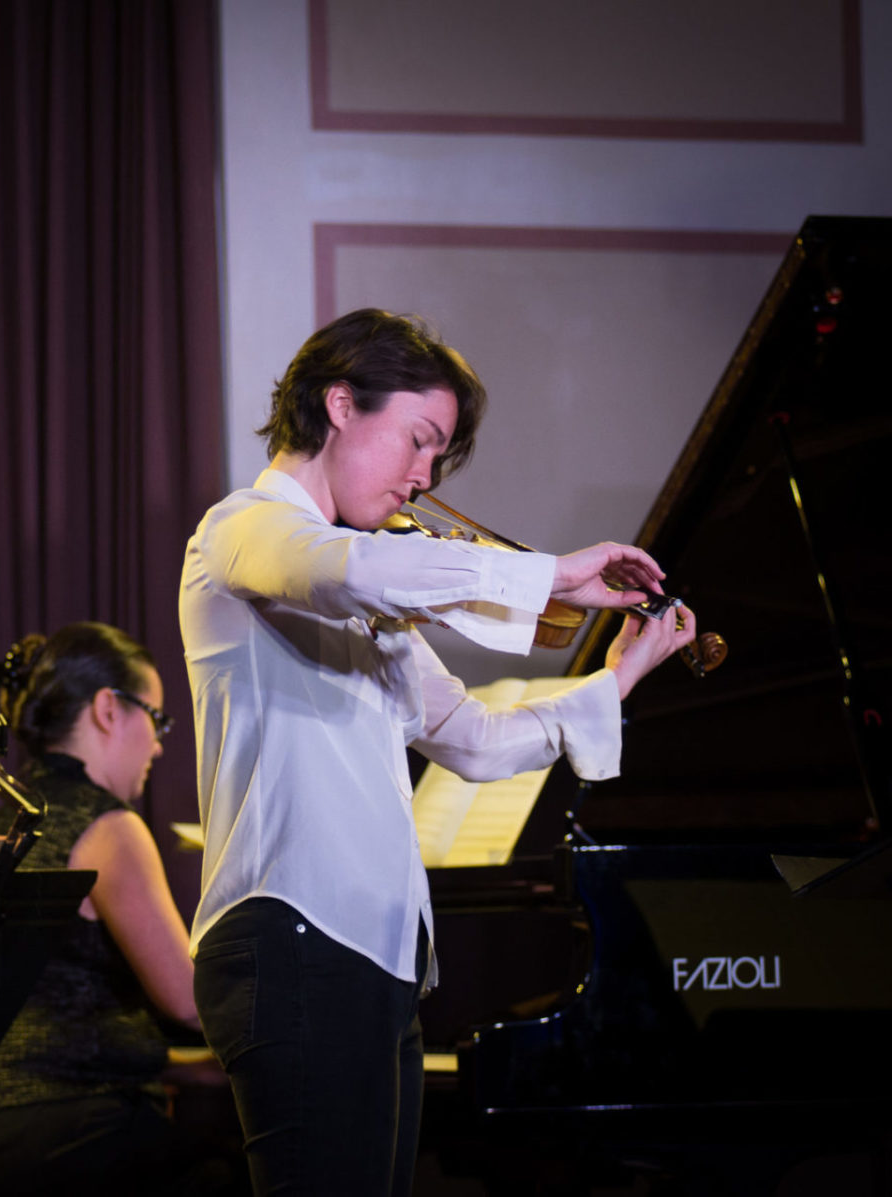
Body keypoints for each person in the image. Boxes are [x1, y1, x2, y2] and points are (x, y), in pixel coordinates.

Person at [178, 309, 700, 1195]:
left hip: (375, 956)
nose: (423, 480)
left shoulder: (365, 590)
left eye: (439, 458)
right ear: (340, 403)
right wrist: (553, 572)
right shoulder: (244, 532)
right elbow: (342, 569)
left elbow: (478, 741)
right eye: (419, 442)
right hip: (293, 936)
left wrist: (619, 679)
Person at [0, 622, 244, 1197]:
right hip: (61, 1135)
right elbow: (192, 1002)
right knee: (247, 1172)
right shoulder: (109, 826)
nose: (158, 744)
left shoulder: (10, 819)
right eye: (156, 719)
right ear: (109, 709)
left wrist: (177, 1065)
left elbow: (55, 1012)